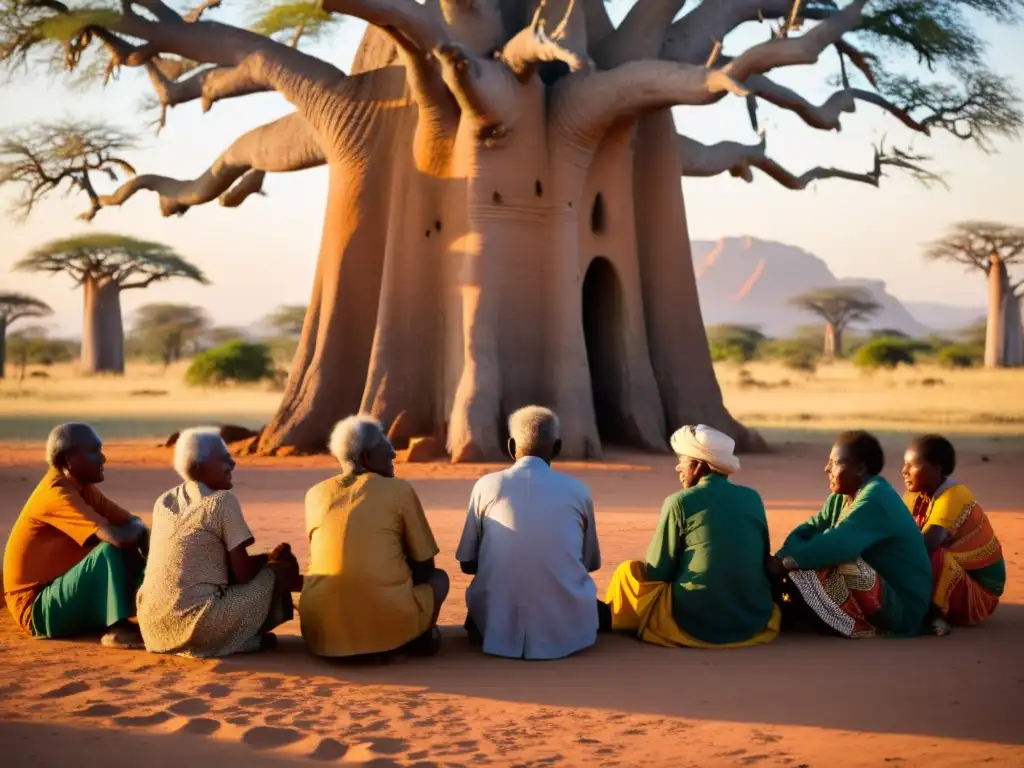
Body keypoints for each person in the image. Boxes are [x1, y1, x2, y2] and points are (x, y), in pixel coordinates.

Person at [604, 424, 780, 648]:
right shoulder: (753, 498)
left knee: (627, 572)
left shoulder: (679, 501)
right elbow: (761, 557)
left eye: (683, 461)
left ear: (698, 466)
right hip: (752, 620)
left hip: (694, 623)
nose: (678, 468)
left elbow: (659, 571)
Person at [456, 406, 604, 660]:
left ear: (511, 446)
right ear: (557, 448)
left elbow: (467, 564)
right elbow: (589, 563)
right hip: (565, 632)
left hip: (496, 628)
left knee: (484, 603)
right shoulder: (578, 491)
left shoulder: (487, 485)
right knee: (595, 606)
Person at [137, 428, 301, 657]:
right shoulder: (221, 501)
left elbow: (207, 562)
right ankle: (243, 638)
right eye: (224, 458)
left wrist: (265, 557)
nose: (232, 464)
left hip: (153, 630)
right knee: (279, 571)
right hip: (197, 628)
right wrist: (270, 560)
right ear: (200, 465)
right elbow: (242, 573)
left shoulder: (163, 501)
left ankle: (236, 635)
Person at [299, 415, 449, 660]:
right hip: (387, 625)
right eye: (386, 448)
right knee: (439, 580)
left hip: (323, 635)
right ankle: (419, 634)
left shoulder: (314, 494)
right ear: (367, 457)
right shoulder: (398, 489)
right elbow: (425, 566)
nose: (394, 455)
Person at [768, 430, 932, 638]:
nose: (827, 468)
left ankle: (863, 627)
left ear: (860, 468)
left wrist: (784, 564)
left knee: (841, 561)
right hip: (879, 593)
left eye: (835, 463)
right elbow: (808, 529)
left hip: (902, 610)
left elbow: (837, 545)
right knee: (812, 553)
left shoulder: (875, 499)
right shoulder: (841, 497)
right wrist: (783, 555)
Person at [3, 423, 148, 648]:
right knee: (111, 548)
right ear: (67, 460)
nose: (103, 458)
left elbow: (130, 522)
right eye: (93, 451)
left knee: (132, 541)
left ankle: (153, 608)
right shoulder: (56, 494)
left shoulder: (83, 489)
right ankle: (117, 629)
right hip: (37, 611)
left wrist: (139, 532)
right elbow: (119, 537)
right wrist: (136, 530)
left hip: (59, 592)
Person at [902, 434, 1005, 636]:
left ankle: (935, 614)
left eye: (911, 465)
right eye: (903, 465)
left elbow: (927, 544)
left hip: (979, 596)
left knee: (936, 556)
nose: (904, 471)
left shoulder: (954, 495)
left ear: (937, 468)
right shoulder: (915, 496)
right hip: (954, 579)